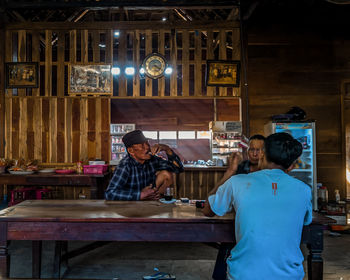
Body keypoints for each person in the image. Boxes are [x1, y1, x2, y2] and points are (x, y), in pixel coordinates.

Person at [203, 132, 312, 280]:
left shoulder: (237, 182)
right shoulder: (304, 190)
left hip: (244, 274)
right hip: (290, 275)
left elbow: (208, 210)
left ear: (262, 154)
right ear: (292, 165)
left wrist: (230, 171)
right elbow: (305, 221)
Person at [211, 134, 266, 280]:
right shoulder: (241, 168)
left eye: (259, 150)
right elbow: (218, 194)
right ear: (247, 152)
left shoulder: (270, 172)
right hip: (239, 219)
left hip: (263, 222)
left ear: (266, 152)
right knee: (227, 243)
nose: (255, 153)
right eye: (252, 149)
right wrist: (231, 171)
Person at [105, 129, 184, 201]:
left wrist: (167, 149)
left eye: (147, 143)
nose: (147, 147)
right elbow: (110, 193)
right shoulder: (125, 166)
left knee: (166, 174)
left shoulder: (152, 160)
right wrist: (140, 195)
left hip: (149, 199)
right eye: (142, 145)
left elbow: (178, 169)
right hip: (130, 206)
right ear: (130, 151)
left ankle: (155, 197)